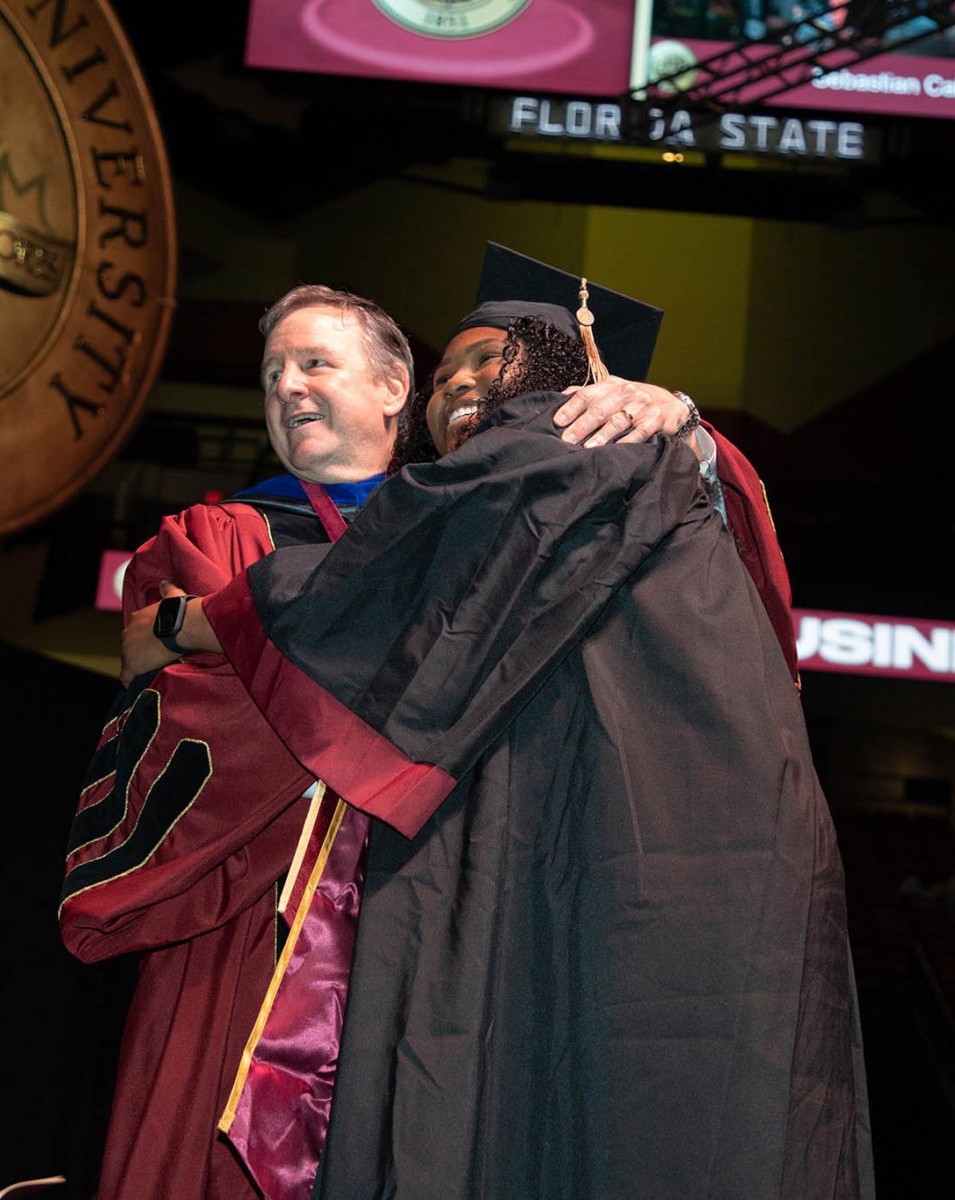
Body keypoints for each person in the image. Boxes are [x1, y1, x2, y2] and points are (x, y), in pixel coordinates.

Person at [140, 291, 871, 1198]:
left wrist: (194, 624)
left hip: (661, 847)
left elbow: (369, 590)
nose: (459, 389)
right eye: (445, 377)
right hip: (577, 841)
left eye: (487, 361)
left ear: (572, 373)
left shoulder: (577, 448)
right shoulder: (603, 464)